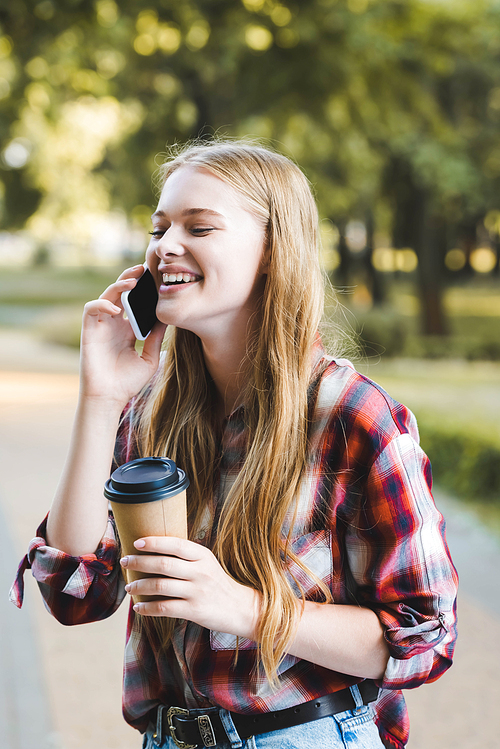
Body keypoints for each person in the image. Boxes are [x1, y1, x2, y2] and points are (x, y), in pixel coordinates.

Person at [11, 140, 458, 749]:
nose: (165, 245)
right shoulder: (149, 413)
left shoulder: (354, 417)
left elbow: (423, 638)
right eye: (159, 226)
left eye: (200, 227)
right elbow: (78, 593)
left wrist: (243, 608)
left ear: (272, 253)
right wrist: (100, 399)